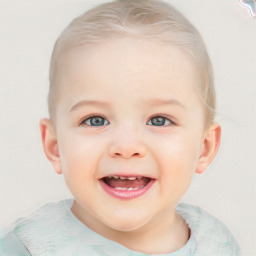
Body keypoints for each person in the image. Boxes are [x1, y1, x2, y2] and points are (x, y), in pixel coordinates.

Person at [0, 0, 241, 255]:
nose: (127, 147)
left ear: (204, 148)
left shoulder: (217, 244)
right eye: (95, 120)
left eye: (159, 120)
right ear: (55, 146)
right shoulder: (29, 248)